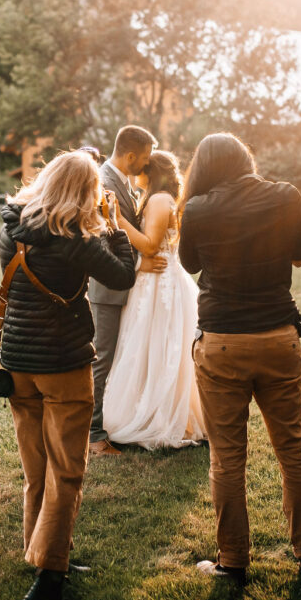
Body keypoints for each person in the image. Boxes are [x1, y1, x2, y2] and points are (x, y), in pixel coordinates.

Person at [177, 132, 301, 585]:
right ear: (245, 159)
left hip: (222, 343)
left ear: (204, 167)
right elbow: (299, 256)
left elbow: (189, 265)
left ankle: (233, 561)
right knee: (294, 452)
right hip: (278, 337)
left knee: (226, 458)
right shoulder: (285, 197)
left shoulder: (199, 208)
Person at [0, 150, 136, 600]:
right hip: (63, 364)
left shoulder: (12, 227)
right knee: (67, 472)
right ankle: (50, 577)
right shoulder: (75, 236)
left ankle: (40, 550)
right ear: (85, 191)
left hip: (17, 364)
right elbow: (122, 276)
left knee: (36, 467)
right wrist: (114, 226)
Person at [102, 151, 206, 449]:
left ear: (151, 171)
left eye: (142, 168)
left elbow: (149, 246)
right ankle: (143, 407)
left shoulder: (161, 200)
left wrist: (118, 219)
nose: (136, 172)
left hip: (161, 285)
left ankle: (160, 416)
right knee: (143, 347)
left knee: (160, 347)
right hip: (150, 281)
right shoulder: (154, 198)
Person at [87, 125, 162, 456]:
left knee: (112, 358)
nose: (146, 165)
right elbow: (101, 237)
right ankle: (92, 435)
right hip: (106, 287)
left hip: (121, 287)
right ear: (130, 155)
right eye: (144, 159)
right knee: (100, 359)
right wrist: (137, 267)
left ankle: (110, 422)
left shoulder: (122, 182)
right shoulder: (103, 182)